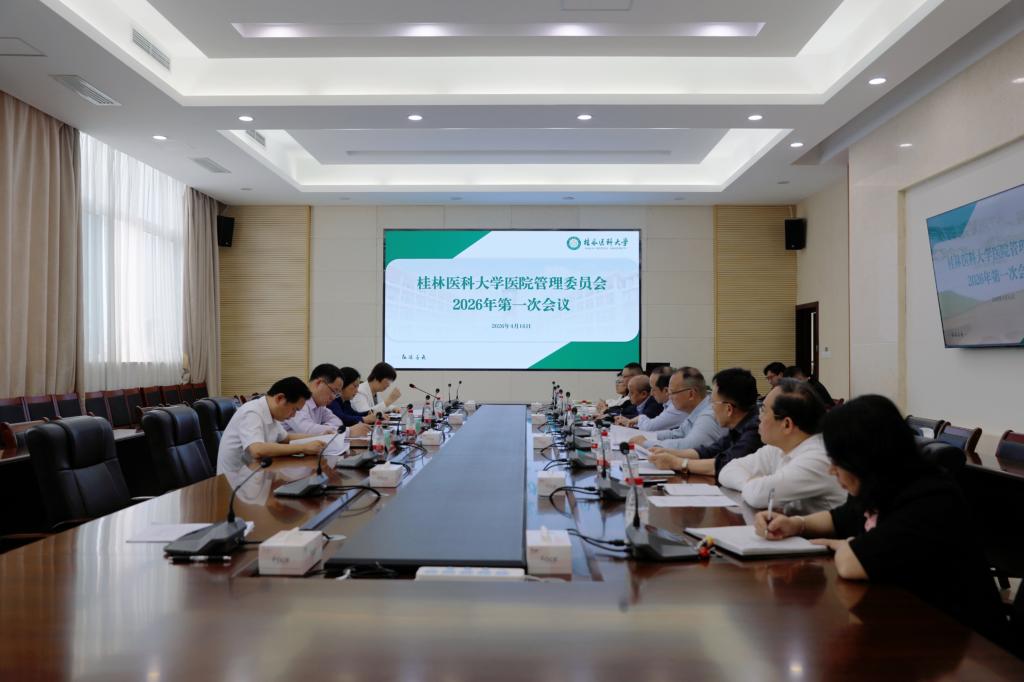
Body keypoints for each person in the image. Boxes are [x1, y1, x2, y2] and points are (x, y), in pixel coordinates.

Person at [754, 395, 1008, 647]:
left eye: (836, 461)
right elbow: (840, 517)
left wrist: (846, 545)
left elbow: (852, 564)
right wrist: (796, 524)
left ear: (862, 457)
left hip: (964, 642)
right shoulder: (880, 485)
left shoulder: (929, 496)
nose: (831, 470)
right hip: (907, 624)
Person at [718, 379, 847, 514]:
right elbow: (727, 470)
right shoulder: (780, 446)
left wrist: (757, 485)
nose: (759, 417)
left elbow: (758, 496)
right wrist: (751, 483)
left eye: (763, 410)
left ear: (786, 424)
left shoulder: (817, 458)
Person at [647, 367, 762, 479]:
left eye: (713, 402)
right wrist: (667, 451)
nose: (711, 407)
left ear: (729, 409)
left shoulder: (756, 430)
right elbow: (708, 451)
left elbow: (726, 464)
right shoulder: (737, 427)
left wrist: (677, 463)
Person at [216, 376, 326, 475]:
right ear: (280, 398)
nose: (293, 415)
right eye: (294, 409)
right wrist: (303, 448)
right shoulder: (251, 412)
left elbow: (286, 438)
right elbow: (257, 450)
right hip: (234, 483)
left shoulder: (271, 413)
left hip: (256, 475)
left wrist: (321, 437)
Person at [630, 368, 725, 451]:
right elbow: (678, 434)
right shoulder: (695, 411)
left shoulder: (708, 415)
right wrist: (648, 437)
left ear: (691, 394)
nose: (669, 397)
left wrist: (646, 443)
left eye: (672, 392)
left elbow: (689, 446)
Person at [282, 363, 345, 436]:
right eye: (333, 391)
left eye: (336, 394)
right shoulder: (297, 398)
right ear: (319, 383)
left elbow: (338, 422)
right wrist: (330, 429)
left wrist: (325, 428)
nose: (333, 397)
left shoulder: (320, 405)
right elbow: (307, 429)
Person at [621, 371, 687, 432]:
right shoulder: (667, 404)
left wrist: (639, 418)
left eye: (654, 389)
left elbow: (650, 427)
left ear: (666, 391)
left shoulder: (675, 408)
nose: (651, 394)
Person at [327, 366, 374, 436]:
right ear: (343, 384)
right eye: (355, 386)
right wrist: (364, 419)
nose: (357, 391)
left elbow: (352, 414)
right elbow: (342, 419)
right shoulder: (333, 401)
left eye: (358, 387)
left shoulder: (345, 401)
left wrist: (367, 413)